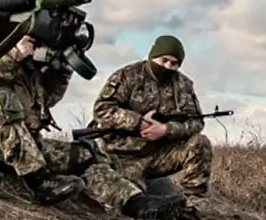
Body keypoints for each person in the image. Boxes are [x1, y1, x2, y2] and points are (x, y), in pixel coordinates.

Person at [0, 0, 193, 220]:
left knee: (86, 155)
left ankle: (137, 204)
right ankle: (40, 182)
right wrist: (16, 55)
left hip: (20, 143)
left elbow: (46, 101)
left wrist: (62, 69)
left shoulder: (23, 46)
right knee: (0, 99)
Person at [87, 34, 213, 202]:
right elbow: (102, 109)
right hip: (123, 156)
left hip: (159, 155)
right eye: (164, 60)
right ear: (153, 57)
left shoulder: (183, 85)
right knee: (130, 199)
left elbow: (197, 122)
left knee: (200, 142)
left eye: (174, 63)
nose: (168, 66)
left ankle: (193, 203)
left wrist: (166, 130)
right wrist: (138, 123)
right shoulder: (127, 76)